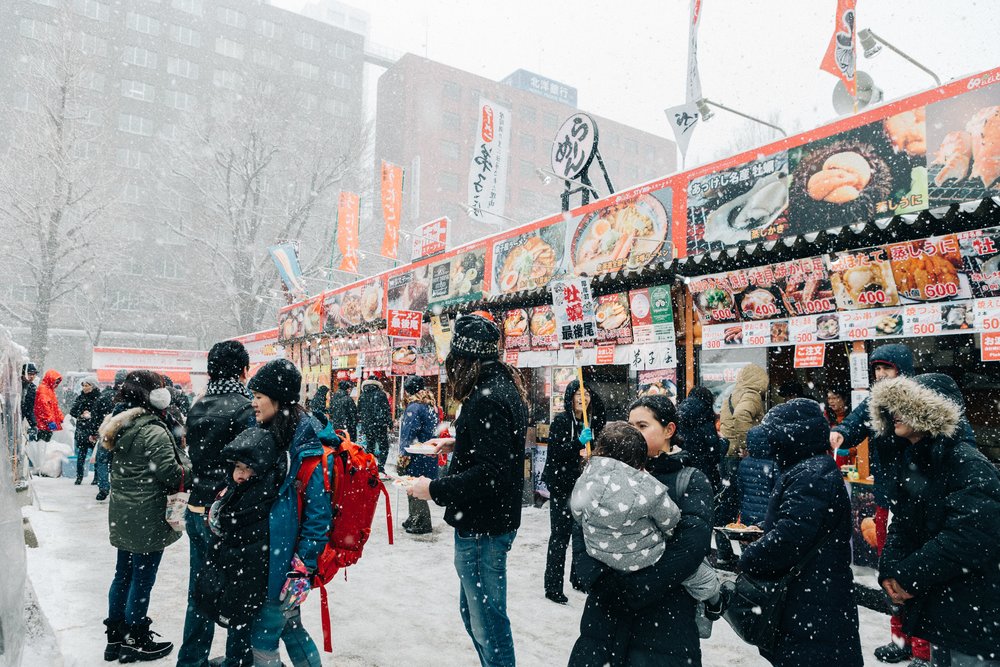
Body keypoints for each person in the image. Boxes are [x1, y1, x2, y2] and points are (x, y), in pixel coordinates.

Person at [407, 314, 528, 667]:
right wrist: (457, 445)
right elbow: (497, 450)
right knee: (475, 615)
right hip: (490, 522)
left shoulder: (487, 397)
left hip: (483, 528)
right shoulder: (500, 387)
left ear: (464, 359)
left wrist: (433, 489)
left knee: (487, 622)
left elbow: (492, 473)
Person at [569, 394, 714, 667]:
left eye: (642, 426)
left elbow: (691, 545)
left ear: (669, 430)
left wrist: (639, 587)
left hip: (665, 620)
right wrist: (599, 580)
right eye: (630, 424)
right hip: (605, 617)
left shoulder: (690, 479)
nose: (632, 432)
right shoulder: (604, 475)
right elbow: (581, 526)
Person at [869, 374, 1000, 667]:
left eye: (906, 406)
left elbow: (969, 539)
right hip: (942, 611)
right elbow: (902, 524)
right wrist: (890, 572)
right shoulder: (915, 461)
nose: (896, 414)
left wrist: (908, 578)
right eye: (893, 406)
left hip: (974, 617)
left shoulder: (966, 462)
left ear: (931, 412)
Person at [829, 343, 934, 665]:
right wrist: (840, 434)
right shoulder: (876, 402)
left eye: (887, 369)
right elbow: (855, 423)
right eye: (876, 370)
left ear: (903, 371)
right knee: (889, 571)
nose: (881, 375)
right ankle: (899, 639)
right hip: (887, 502)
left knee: (917, 575)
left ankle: (923, 649)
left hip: (919, 503)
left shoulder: (921, 400)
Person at [737, 399, 862, 666]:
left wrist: (750, 556)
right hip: (814, 597)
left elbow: (790, 537)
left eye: (773, 435)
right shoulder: (810, 469)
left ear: (790, 437)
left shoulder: (810, 475)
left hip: (813, 602)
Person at [99, 371, 191, 663]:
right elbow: (172, 473)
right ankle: (135, 639)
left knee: (122, 574)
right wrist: (191, 466)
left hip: (125, 513)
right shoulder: (152, 429)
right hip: (147, 515)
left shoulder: (124, 423)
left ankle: (115, 638)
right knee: (142, 578)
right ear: (154, 395)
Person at [571, 421, 719, 602]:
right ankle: (715, 600)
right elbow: (671, 519)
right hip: (645, 559)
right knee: (702, 576)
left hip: (599, 557)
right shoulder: (648, 487)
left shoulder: (585, 479)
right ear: (640, 458)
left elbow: (577, 513)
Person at [246, 358, 333, 667]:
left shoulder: (303, 446)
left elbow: (318, 516)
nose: (253, 403)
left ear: (279, 398)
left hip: (283, 565)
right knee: (292, 630)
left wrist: (301, 567)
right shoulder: (272, 433)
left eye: (258, 396)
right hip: (269, 559)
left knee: (262, 641)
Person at [178, 340, 255, 667]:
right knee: (240, 594)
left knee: (201, 591)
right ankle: (237, 661)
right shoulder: (245, 407)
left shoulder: (198, 405)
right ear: (242, 370)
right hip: (228, 512)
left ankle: (192, 661)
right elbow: (251, 463)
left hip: (197, 508)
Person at [193, 428, 284, 639]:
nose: (241, 474)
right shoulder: (235, 492)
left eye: (247, 468)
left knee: (244, 628)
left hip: (244, 579)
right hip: (235, 577)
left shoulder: (256, 498)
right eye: (237, 467)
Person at [541, 379, 606, 604]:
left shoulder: (591, 423)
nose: (583, 397)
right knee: (560, 537)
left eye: (586, 393)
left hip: (584, 487)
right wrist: (578, 443)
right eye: (578, 393)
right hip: (562, 486)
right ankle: (553, 587)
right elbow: (557, 453)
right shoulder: (560, 422)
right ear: (569, 398)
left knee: (582, 536)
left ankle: (577, 578)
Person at [716, 363, 768, 567]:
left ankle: (724, 552)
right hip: (739, 458)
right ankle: (747, 556)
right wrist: (750, 445)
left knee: (726, 506)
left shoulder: (733, 393)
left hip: (728, 455)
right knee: (746, 505)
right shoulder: (751, 395)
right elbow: (741, 415)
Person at [398, 375, 439, 535]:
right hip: (427, 452)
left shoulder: (414, 407)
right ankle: (413, 517)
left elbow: (408, 434)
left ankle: (421, 521)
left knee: (414, 486)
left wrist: (403, 454)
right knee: (417, 485)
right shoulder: (429, 405)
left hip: (415, 454)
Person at [677, 385, 725, 494]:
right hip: (704, 473)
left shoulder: (679, 413)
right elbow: (715, 455)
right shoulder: (705, 417)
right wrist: (723, 442)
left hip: (683, 475)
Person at [93, 370, 127, 500]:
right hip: (123, 435)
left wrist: (94, 431)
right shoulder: (129, 398)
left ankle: (103, 486)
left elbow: (96, 415)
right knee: (117, 461)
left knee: (102, 460)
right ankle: (116, 486)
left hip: (107, 433)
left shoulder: (105, 395)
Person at [736, 425, 777, 528]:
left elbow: (740, 490)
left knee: (747, 540)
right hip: (767, 515)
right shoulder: (773, 464)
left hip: (747, 513)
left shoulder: (744, 463)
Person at [69, 376, 102, 484]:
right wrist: (81, 414)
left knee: (96, 455)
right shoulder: (80, 397)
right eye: (83, 385)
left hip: (95, 429)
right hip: (82, 428)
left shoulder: (99, 398)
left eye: (87, 385)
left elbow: (102, 414)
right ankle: (79, 477)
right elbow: (72, 411)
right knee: (81, 454)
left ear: (93, 386)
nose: (84, 388)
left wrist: (92, 415)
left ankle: (96, 477)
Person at [357, 374, 392, 473]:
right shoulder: (381, 394)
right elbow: (386, 410)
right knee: (384, 446)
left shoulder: (362, 395)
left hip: (367, 425)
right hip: (380, 425)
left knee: (370, 446)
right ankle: (380, 467)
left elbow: (359, 411)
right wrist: (389, 423)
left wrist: (364, 420)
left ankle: (369, 466)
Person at [34, 369, 65, 442]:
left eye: (58, 382)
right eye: (55, 382)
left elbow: (55, 407)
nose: (56, 384)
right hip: (43, 425)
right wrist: (50, 420)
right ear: (50, 379)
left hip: (47, 424)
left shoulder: (50, 390)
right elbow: (44, 407)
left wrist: (61, 418)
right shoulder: (43, 390)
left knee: (46, 445)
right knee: (43, 445)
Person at [21, 363, 38, 441]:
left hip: (20, 418)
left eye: (34, 374)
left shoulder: (32, 388)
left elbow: (29, 408)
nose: (32, 376)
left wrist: (33, 424)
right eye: (29, 374)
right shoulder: (17, 384)